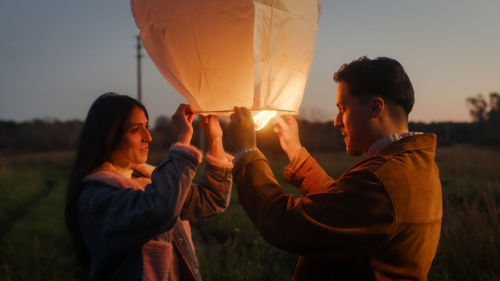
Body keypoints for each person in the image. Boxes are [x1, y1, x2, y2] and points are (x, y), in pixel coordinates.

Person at [227, 57, 442, 281]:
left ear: (375, 107)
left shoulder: (382, 180)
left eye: (343, 108)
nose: (336, 121)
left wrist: (247, 152)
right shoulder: (414, 164)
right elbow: (345, 207)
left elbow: (285, 222)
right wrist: (296, 153)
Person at [65, 93, 233, 281]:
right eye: (136, 130)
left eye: (146, 126)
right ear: (108, 136)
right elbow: (159, 209)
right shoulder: (96, 199)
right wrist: (183, 140)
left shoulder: (147, 181)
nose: (148, 137)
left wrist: (216, 138)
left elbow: (210, 200)